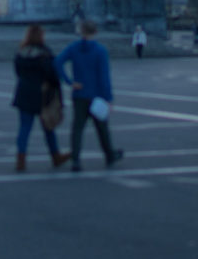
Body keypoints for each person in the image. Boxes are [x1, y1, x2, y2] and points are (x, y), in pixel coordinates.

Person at [56, 19, 123, 171]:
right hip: (97, 96)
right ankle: (109, 155)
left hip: (79, 94)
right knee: (102, 128)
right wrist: (108, 98)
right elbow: (104, 77)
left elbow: (58, 62)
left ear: (81, 31)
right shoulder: (100, 50)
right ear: (95, 32)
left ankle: (76, 160)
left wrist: (69, 81)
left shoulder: (73, 48)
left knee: (77, 128)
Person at [11, 24, 68, 172]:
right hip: (43, 95)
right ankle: (55, 156)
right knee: (48, 127)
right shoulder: (44, 54)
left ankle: (20, 161)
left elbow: (18, 72)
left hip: (24, 93)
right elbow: (52, 74)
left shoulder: (21, 53)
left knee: (24, 129)